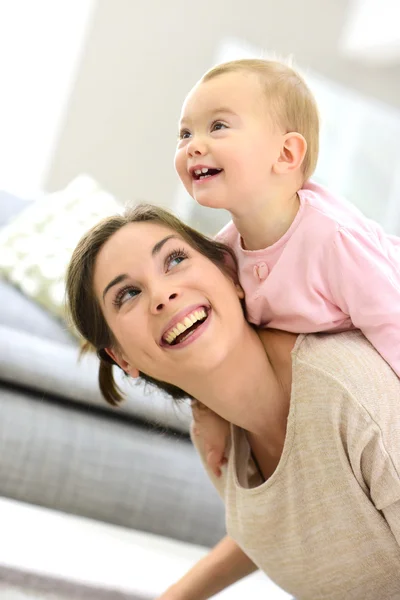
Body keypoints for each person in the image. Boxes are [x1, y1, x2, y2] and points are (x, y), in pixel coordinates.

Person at [66, 203, 400, 600]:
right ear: (122, 358)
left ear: (230, 274)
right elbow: (291, 526)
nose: (162, 294)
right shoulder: (218, 434)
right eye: (128, 294)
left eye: (174, 259)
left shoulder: (350, 394)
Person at [174, 58, 400, 474]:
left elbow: (392, 320)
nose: (193, 144)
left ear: (286, 153)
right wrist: (210, 415)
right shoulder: (223, 256)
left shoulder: (331, 238)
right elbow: (224, 346)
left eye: (218, 126)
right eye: (185, 132)